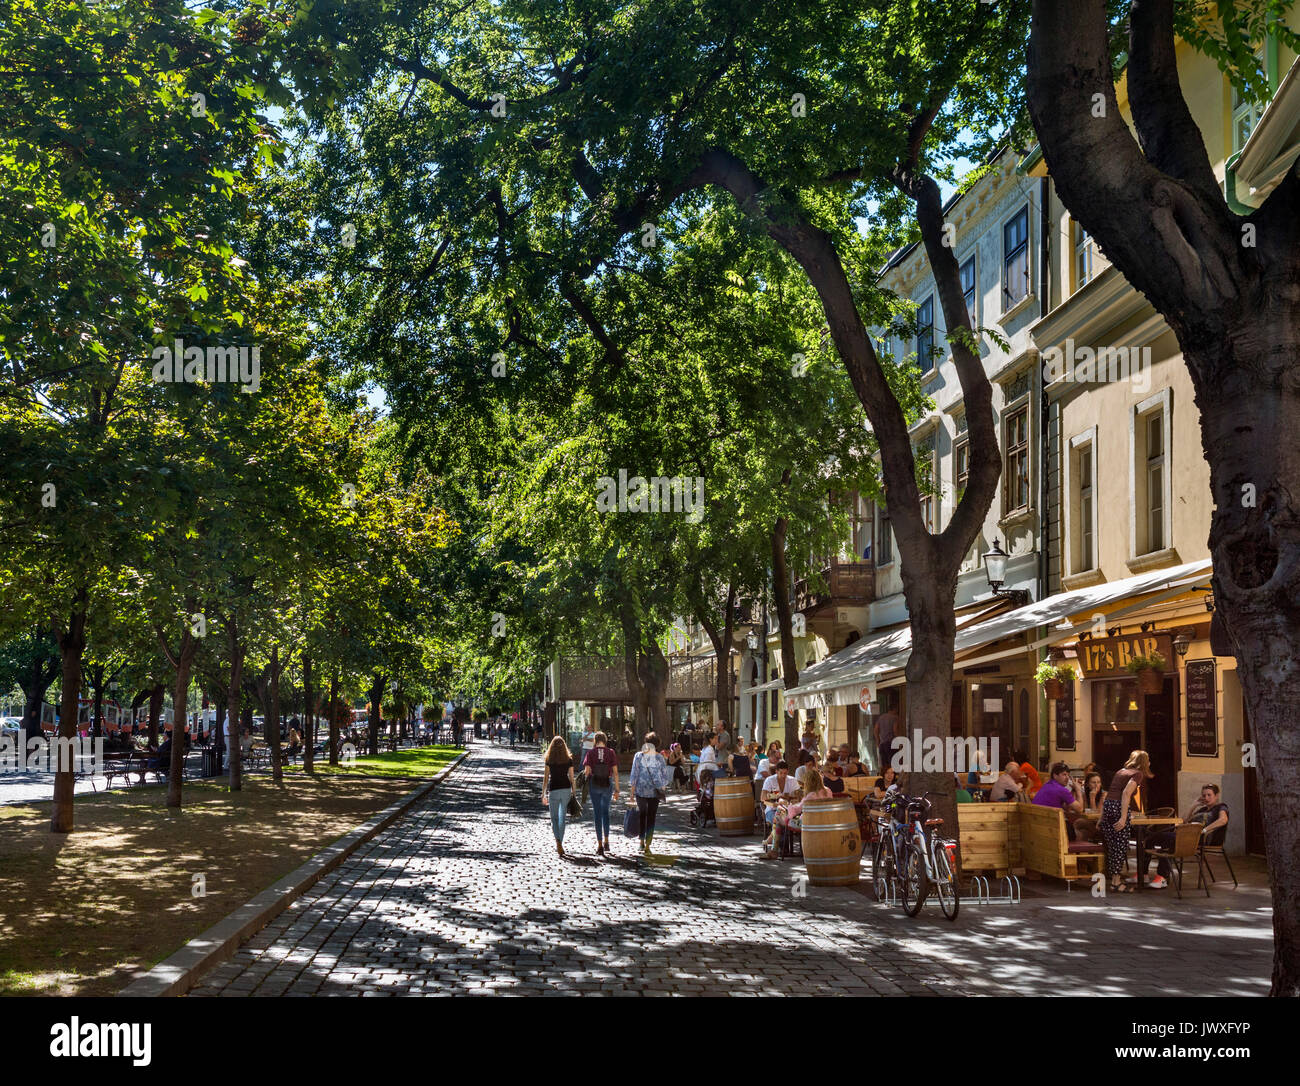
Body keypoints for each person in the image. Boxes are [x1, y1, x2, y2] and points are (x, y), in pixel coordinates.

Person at [1141, 783, 1229, 889]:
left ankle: (1162, 877)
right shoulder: (1201, 810)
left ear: (1216, 795)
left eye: (1209, 795)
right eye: (1204, 795)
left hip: (1202, 838)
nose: (1206, 798)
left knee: (1170, 841)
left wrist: (1204, 830)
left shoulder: (1221, 807)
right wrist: (1193, 805)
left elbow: (1223, 820)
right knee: (1150, 839)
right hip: (1186, 836)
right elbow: (1182, 822)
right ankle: (1143, 874)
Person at [1099, 750, 1151, 893]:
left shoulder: (1121, 771)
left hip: (1109, 806)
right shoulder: (1137, 774)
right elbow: (1126, 793)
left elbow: (1109, 794)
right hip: (1118, 808)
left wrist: (1101, 817)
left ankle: (1115, 880)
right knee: (1120, 845)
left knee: (1112, 845)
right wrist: (1123, 817)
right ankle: (1116, 882)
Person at [768, 767, 831, 859]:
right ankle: (773, 845)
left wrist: (787, 804)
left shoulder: (809, 796)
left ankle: (775, 849)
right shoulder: (828, 791)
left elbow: (793, 813)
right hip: (824, 822)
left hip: (806, 824)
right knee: (780, 814)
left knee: (778, 816)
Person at [629, 732, 671, 855]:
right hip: (655, 792)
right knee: (651, 817)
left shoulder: (638, 755)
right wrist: (662, 788)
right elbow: (665, 777)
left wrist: (631, 793)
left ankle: (641, 841)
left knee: (642, 815)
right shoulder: (660, 758)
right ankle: (648, 844)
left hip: (640, 791)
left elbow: (634, 775)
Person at [582, 731, 621, 857]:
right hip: (607, 784)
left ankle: (599, 845)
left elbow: (587, 771)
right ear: (605, 740)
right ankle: (607, 841)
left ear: (595, 741)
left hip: (595, 784)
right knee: (606, 812)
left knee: (597, 813)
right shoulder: (611, 752)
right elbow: (615, 772)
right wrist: (617, 789)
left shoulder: (590, 753)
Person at [542, 736, 576, 857]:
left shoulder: (549, 759)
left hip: (554, 789)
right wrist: (574, 792)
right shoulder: (568, 759)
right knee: (562, 818)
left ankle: (558, 842)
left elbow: (546, 778)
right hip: (566, 789)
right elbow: (572, 778)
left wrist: (543, 794)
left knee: (554, 818)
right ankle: (560, 842)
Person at [1032, 761, 1085, 837]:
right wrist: (1078, 790)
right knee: (1084, 833)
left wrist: (1073, 791)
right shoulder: (1061, 790)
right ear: (1055, 776)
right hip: (1053, 827)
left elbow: (1067, 808)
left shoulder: (1047, 785)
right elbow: (1080, 809)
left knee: (1078, 826)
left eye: (1068, 775)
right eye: (1064, 775)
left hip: (1041, 825)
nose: (1067, 778)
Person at [760, 760, 800, 854]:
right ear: (776, 772)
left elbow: (798, 796)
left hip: (789, 810)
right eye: (781, 773)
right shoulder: (770, 780)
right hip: (772, 810)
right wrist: (776, 797)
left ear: (788, 772)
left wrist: (787, 797)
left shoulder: (792, 780)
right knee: (780, 820)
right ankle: (783, 848)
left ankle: (775, 843)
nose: (783, 775)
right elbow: (762, 797)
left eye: (785, 773)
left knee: (785, 818)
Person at [874, 698, 900, 777]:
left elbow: (875, 729)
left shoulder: (881, 717)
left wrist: (878, 741)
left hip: (882, 744)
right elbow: (895, 730)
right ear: (895, 709)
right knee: (893, 763)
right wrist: (899, 742)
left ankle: (884, 777)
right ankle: (893, 778)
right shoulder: (895, 717)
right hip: (891, 743)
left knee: (884, 764)